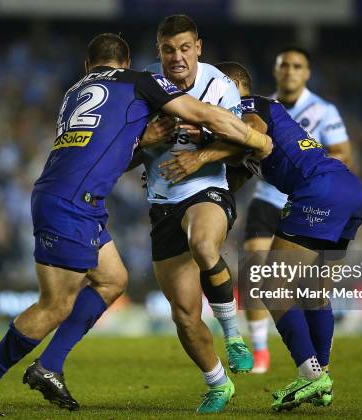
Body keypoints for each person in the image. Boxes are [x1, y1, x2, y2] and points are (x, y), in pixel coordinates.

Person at [0, 35, 272, 416]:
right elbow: (203, 114)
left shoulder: (75, 91)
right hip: (72, 202)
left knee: (113, 279)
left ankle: (49, 366)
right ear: (124, 62)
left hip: (68, 196)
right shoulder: (137, 81)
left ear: (91, 67)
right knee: (55, 304)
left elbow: (103, 142)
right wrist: (255, 139)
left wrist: (142, 138)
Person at [159, 61, 362, 411]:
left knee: (270, 285)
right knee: (314, 291)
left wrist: (202, 156)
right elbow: (236, 176)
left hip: (317, 191)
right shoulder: (233, 129)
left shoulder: (249, 105)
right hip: (348, 190)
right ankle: (322, 376)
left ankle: (311, 375)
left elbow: (255, 135)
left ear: (232, 84)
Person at [135, 15, 254, 414]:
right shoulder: (144, 84)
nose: (177, 57)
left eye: (185, 48)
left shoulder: (219, 86)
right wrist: (144, 140)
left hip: (207, 191)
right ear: (159, 50)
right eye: (169, 49)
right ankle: (218, 383)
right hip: (162, 205)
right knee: (185, 316)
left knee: (203, 244)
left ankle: (234, 335)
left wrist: (200, 156)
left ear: (198, 47)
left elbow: (244, 145)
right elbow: (120, 153)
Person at [245, 47, 352, 374]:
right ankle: (260, 351)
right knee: (255, 271)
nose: (290, 71)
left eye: (297, 66)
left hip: (309, 200)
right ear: (276, 72)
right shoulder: (261, 107)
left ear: (306, 73)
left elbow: (342, 154)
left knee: (312, 289)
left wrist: (308, 170)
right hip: (268, 199)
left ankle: (317, 360)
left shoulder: (324, 110)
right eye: (284, 66)